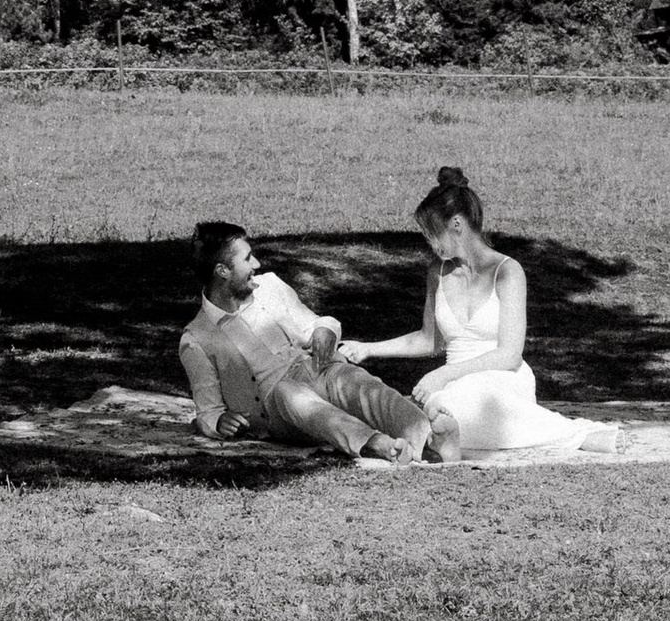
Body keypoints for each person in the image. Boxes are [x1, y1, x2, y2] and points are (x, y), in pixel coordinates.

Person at [340, 166, 619, 458]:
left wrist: (444, 374)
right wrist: (367, 349)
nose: (429, 243)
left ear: (457, 224)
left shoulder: (508, 272)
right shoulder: (438, 272)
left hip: (502, 378)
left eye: (432, 233)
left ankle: (578, 434)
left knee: (464, 403)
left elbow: (510, 354)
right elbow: (428, 339)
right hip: (452, 387)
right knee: (438, 407)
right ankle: (447, 439)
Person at [179, 221, 457, 465]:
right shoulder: (197, 338)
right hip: (278, 405)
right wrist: (218, 422)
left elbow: (316, 323)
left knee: (358, 382)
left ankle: (428, 436)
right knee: (290, 393)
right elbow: (208, 409)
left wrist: (324, 330)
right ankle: (376, 444)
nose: (257, 265)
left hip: (316, 367)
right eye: (248, 259)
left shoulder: (271, 286)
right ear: (222, 271)